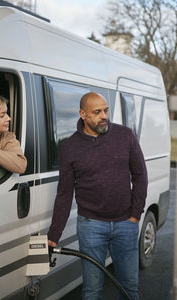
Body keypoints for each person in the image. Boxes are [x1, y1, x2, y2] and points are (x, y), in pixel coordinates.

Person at [48, 92, 148, 300]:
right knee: (92, 290)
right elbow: (65, 193)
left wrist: (134, 216)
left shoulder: (125, 135)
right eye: (97, 112)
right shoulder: (70, 147)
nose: (104, 116)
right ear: (82, 114)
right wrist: (53, 235)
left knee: (129, 288)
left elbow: (140, 175)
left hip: (125, 224)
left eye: (106, 110)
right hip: (91, 225)